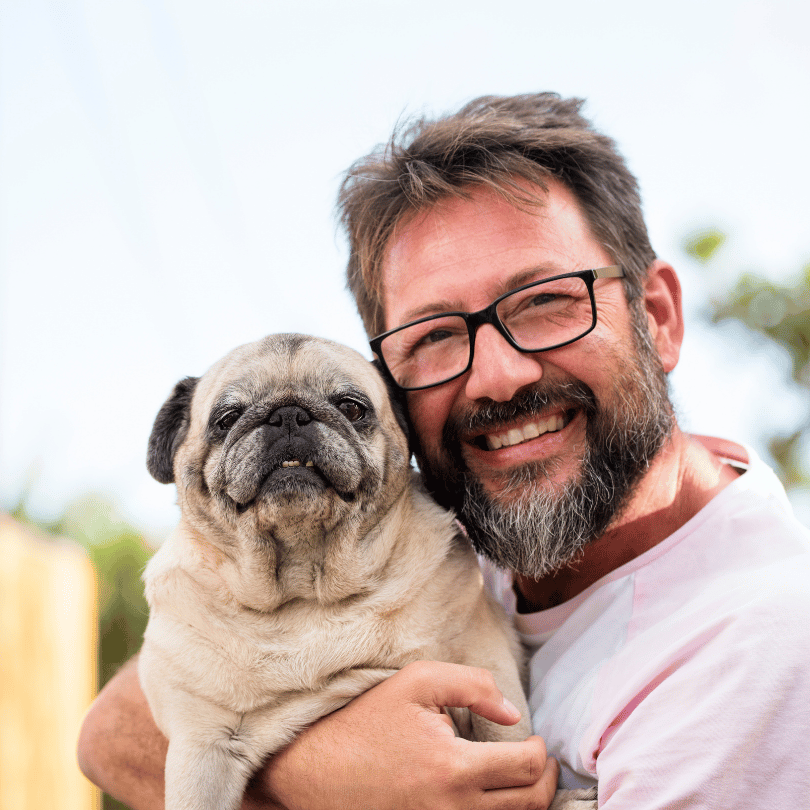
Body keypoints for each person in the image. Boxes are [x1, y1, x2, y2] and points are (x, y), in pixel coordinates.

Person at [78, 93, 810, 808]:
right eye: (434, 336)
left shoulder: (756, 658)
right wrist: (318, 775)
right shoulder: (451, 531)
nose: (497, 375)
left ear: (658, 319)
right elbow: (110, 733)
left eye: (546, 300)